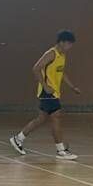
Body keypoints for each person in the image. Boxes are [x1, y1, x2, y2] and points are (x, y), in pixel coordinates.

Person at [9, 31, 80, 160]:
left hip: (54, 93)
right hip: (47, 93)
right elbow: (36, 68)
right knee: (56, 117)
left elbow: (62, 73)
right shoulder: (51, 53)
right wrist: (45, 86)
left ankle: (18, 139)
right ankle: (61, 150)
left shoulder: (62, 56)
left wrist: (73, 87)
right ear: (62, 42)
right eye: (69, 44)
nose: (70, 47)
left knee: (41, 119)